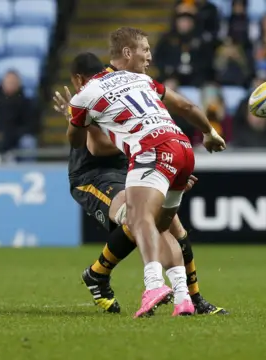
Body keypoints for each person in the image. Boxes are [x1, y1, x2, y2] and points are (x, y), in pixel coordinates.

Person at [58, 27, 226, 318]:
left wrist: (76, 122)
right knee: (139, 218)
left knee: (169, 227)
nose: (149, 56)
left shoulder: (111, 88)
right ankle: (159, 288)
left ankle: (184, 297)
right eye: (145, 50)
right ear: (127, 53)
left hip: (146, 158)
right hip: (94, 176)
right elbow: (96, 149)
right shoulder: (118, 86)